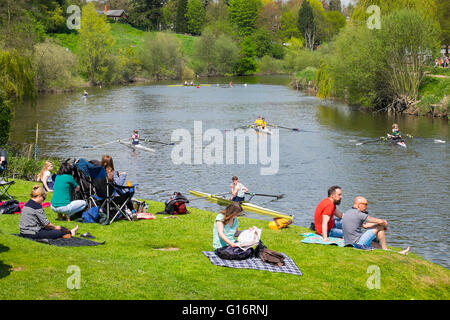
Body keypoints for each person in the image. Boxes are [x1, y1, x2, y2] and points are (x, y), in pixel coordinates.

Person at [342, 196, 410, 254]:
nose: (367, 207)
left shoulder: (348, 212)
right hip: (357, 243)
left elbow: (365, 226)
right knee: (379, 227)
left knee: (376, 246)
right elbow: (380, 221)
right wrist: (383, 225)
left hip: (348, 243)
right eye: (365, 204)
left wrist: (378, 223)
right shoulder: (360, 214)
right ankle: (385, 249)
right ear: (359, 205)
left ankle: (396, 253)